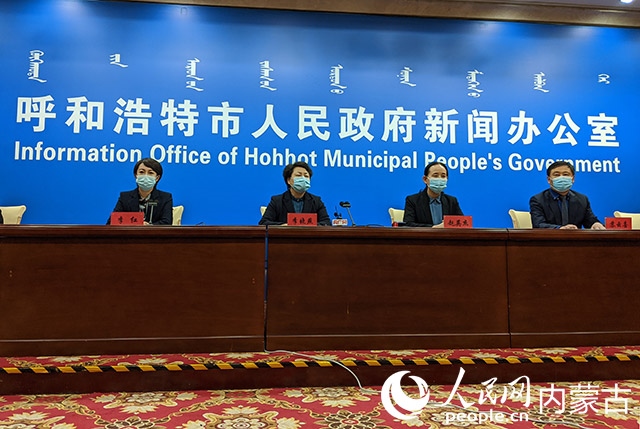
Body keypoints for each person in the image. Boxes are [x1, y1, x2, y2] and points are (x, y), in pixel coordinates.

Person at [529, 160, 605, 230]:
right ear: (549, 180)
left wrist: (596, 224)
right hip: (550, 239)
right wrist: (560, 228)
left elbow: (590, 220)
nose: (561, 177)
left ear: (573, 179)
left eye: (565, 174)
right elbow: (538, 224)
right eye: (557, 175)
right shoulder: (538, 200)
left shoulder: (582, 199)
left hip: (575, 239)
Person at [259, 161, 331, 226]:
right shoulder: (277, 201)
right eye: (298, 175)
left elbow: (327, 223)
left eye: (306, 176)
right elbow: (264, 223)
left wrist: (310, 226)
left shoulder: (316, 201)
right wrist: (284, 226)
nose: (303, 179)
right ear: (288, 180)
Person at [108, 158, 173, 225]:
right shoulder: (125, 197)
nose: (145, 176)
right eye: (141, 172)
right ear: (136, 175)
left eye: (150, 173)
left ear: (157, 178)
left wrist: (149, 227)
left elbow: (167, 223)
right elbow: (111, 222)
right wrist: (136, 224)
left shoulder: (165, 198)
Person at [403, 161, 463, 227]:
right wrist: (434, 228)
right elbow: (408, 224)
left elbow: (462, 224)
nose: (439, 179)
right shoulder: (413, 201)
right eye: (435, 176)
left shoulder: (452, 201)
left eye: (443, 176)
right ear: (425, 179)